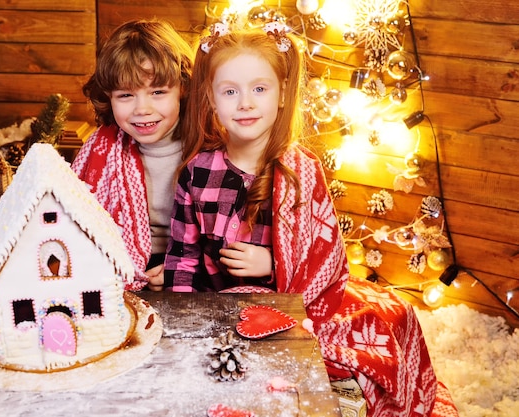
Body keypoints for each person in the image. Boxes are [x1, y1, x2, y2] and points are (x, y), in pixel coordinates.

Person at [164, 22, 458, 417]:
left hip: (294, 303)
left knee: (390, 319)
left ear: (283, 94)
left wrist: (273, 263)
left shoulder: (300, 170)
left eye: (259, 89)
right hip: (220, 305)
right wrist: (185, 324)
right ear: (211, 99)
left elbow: (325, 253)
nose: (245, 103)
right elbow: (182, 257)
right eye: (230, 91)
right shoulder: (197, 172)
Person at [71, 19, 193, 291]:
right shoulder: (102, 149)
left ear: (182, 89)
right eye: (126, 95)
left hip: (191, 264)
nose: (142, 109)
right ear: (109, 97)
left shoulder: (205, 148)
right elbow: (75, 218)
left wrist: (179, 268)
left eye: (158, 92)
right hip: (119, 263)